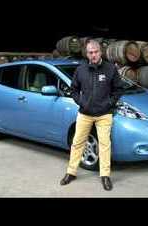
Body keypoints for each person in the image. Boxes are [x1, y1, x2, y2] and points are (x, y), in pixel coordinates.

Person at [60, 39, 124, 191]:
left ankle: (105, 176)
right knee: (77, 143)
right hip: (85, 114)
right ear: (87, 54)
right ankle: (71, 172)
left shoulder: (110, 69)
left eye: (96, 52)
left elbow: (118, 90)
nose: (93, 55)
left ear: (100, 52)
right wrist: (81, 102)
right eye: (90, 53)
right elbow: (73, 89)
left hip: (104, 114)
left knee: (104, 145)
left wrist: (109, 103)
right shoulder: (81, 70)